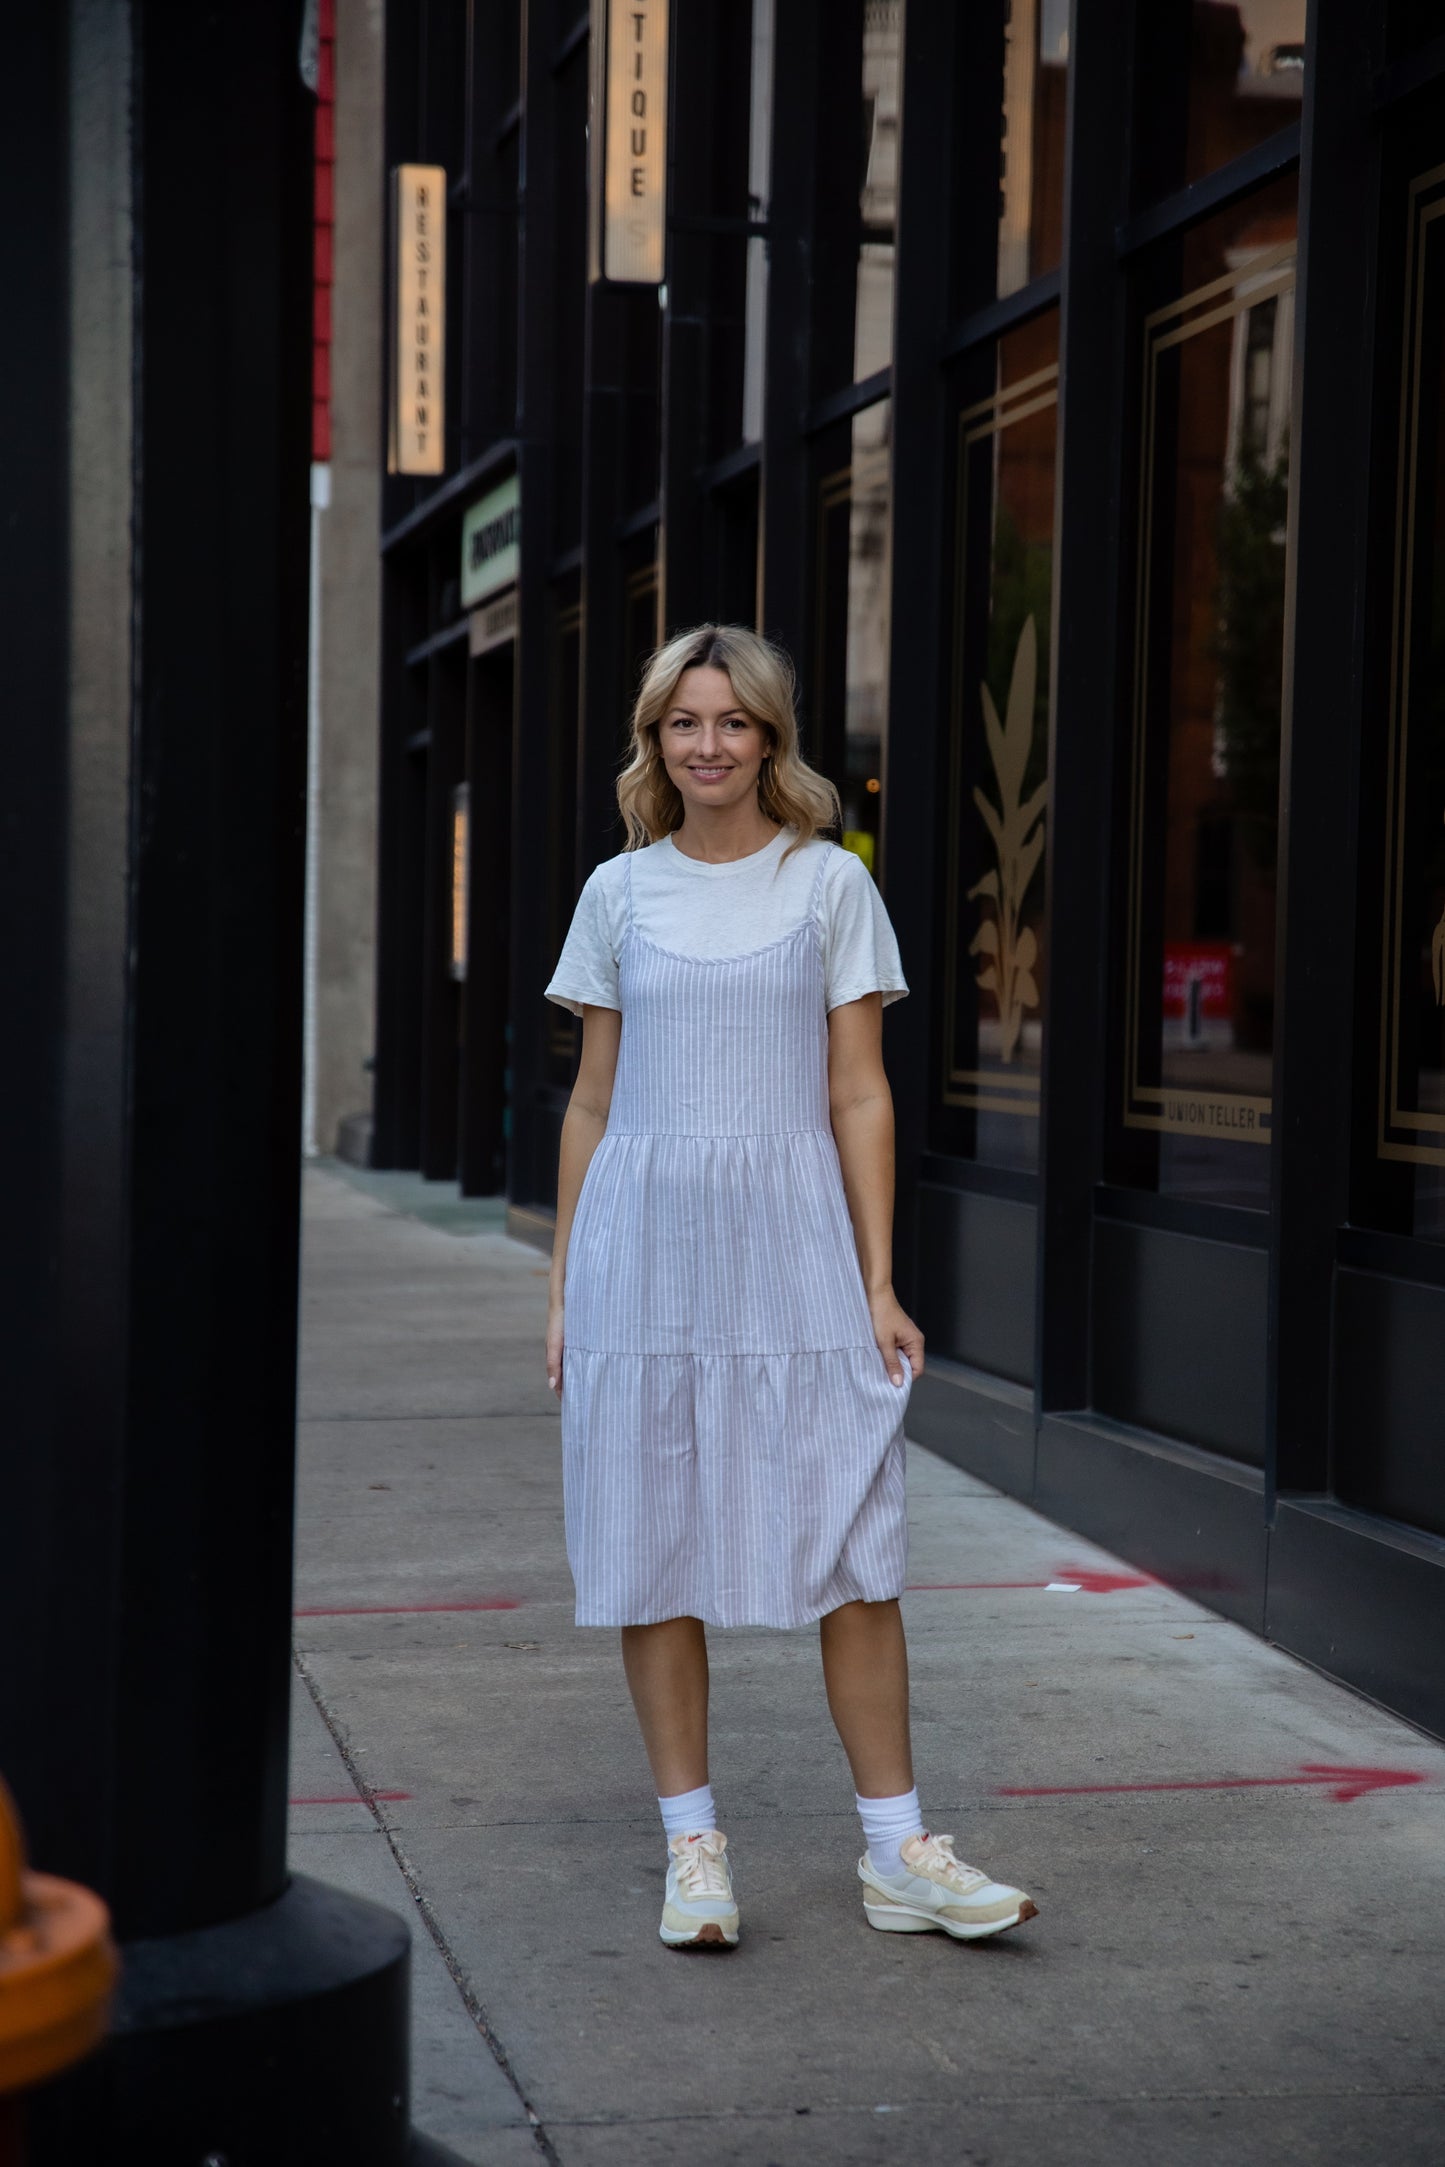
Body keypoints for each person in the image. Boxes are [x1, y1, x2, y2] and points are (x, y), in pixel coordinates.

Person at [544, 624, 1037, 1951]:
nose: (706, 746)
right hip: (640, 1251)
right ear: (654, 742)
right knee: (653, 1553)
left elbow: (860, 1091)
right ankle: (692, 1850)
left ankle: (899, 1853)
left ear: (772, 737)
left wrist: (874, 1281)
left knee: (853, 1542)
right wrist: (562, 1288)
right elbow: (591, 1104)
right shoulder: (617, 894)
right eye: (680, 725)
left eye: (732, 722)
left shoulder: (828, 885)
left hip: (793, 1245)